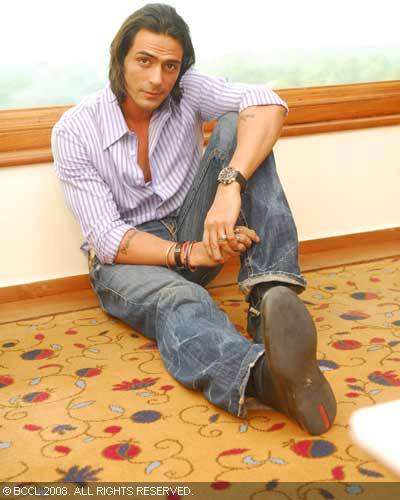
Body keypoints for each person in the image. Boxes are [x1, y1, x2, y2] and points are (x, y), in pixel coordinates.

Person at [52, 3, 336, 435]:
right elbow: (108, 238)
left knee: (239, 124)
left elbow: (268, 103)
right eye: (144, 61)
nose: (157, 79)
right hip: (128, 259)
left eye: (170, 66)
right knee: (180, 300)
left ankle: (269, 297)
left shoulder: (186, 90)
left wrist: (229, 186)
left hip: (193, 225)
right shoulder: (74, 129)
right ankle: (264, 377)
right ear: (119, 58)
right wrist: (189, 253)